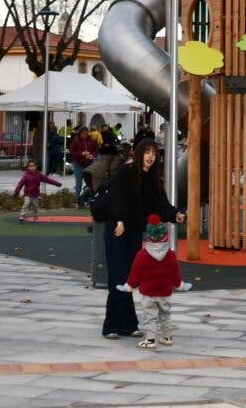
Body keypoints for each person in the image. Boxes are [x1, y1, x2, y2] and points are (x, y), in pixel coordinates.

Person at [103, 139, 183, 340]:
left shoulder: (153, 179)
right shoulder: (128, 171)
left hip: (133, 232)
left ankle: (129, 324)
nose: (150, 156)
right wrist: (120, 220)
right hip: (117, 229)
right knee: (118, 277)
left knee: (130, 278)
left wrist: (175, 214)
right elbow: (117, 198)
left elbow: (161, 205)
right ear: (139, 153)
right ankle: (111, 325)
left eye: (154, 153)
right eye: (147, 152)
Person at [116, 214, 190, 349]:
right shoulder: (171, 255)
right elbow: (175, 273)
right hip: (165, 291)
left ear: (148, 237)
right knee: (165, 314)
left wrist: (128, 286)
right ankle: (167, 337)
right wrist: (180, 285)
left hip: (148, 292)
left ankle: (150, 340)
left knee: (149, 316)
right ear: (165, 236)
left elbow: (135, 273)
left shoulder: (142, 255)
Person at [69, 125, 98, 200]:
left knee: (90, 182)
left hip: (89, 163)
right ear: (80, 133)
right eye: (83, 134)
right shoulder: (76, 141)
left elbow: (96, 150)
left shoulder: (91, 140)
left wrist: (92, 155)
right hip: (78, 164)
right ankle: (77, 200)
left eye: (86, 134)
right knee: (79, 182)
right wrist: (81, 153)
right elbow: (72, 151)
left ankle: (89, 198)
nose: (84, 136)